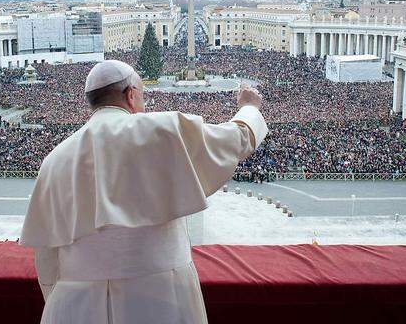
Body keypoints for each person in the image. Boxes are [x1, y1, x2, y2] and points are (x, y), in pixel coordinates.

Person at [20, 60, 268, 324]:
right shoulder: (162, 130)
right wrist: (249, 107)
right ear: (130, 94)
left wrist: (61, 300)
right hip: (161, 298)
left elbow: (46, 255)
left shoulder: (54, 160)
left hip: (75, 303)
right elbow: (237, 139)